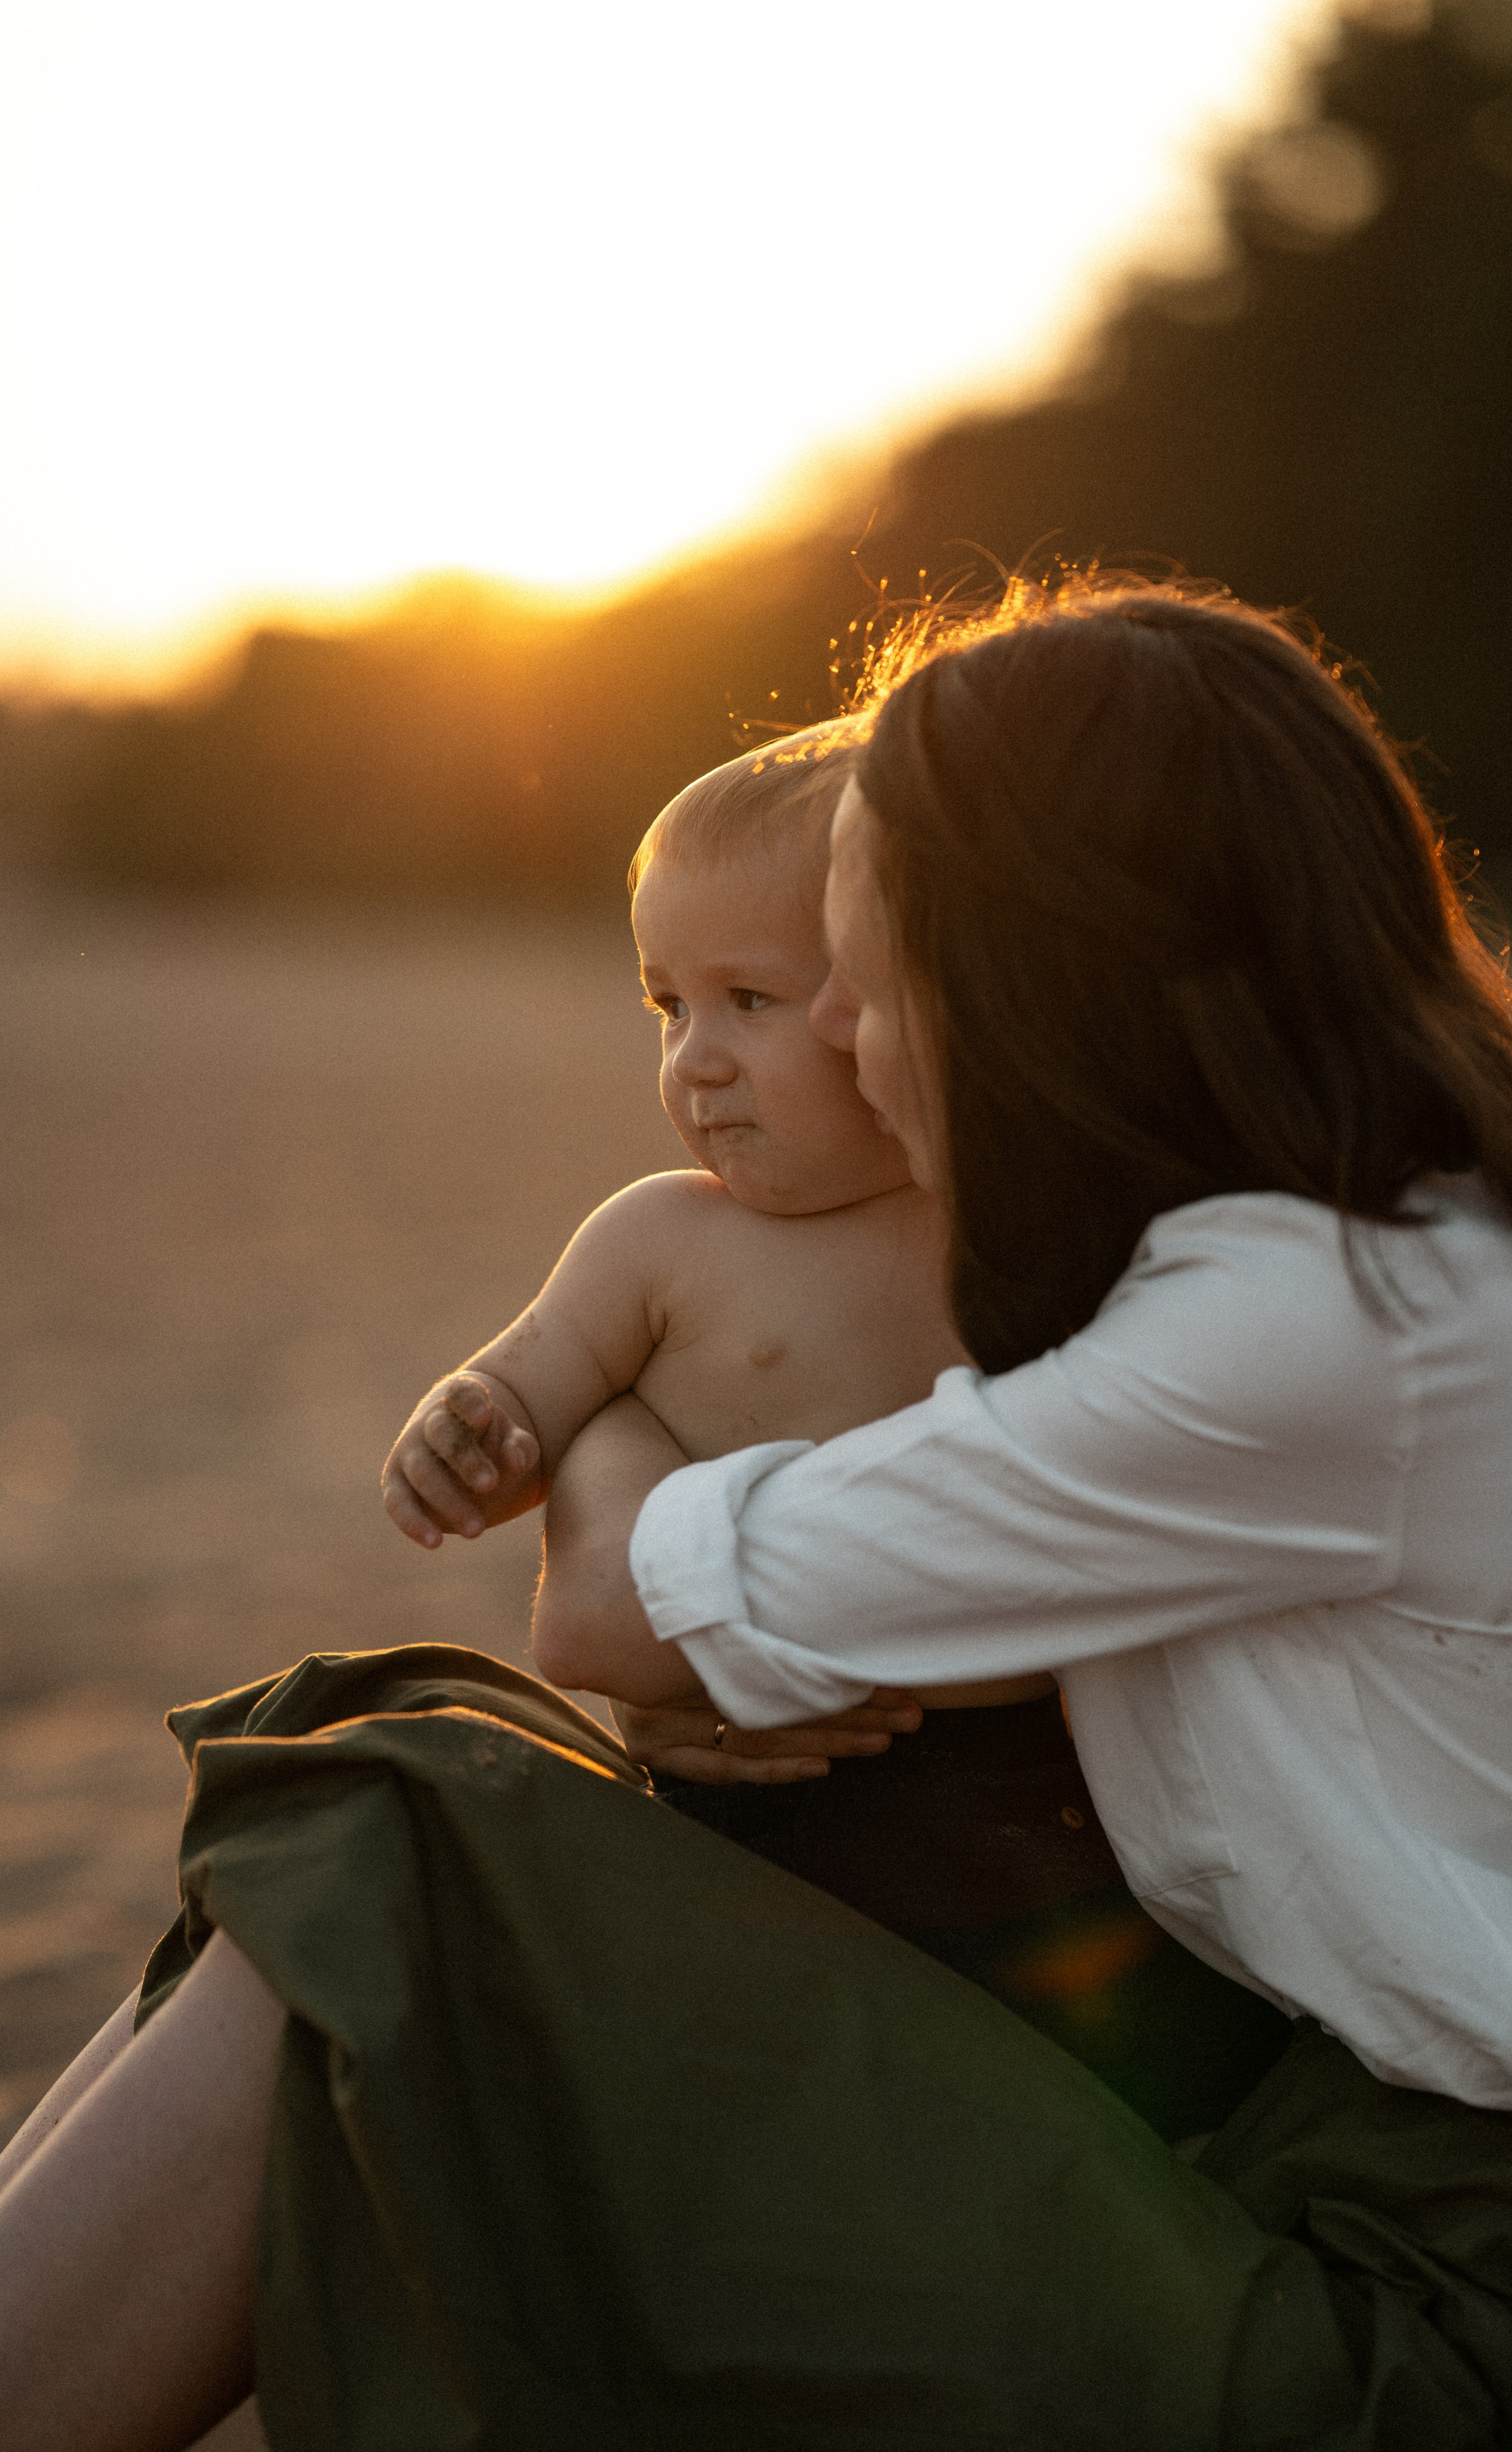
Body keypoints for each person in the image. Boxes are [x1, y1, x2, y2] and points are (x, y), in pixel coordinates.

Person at [3, 578, 1512, 2451]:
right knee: (366, 1778)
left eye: (872, 965)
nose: (845, 1034)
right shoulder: (1414, 1219)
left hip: (1472, 2308)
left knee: (395, 1844)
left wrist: (610, 1400)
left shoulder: (1295, 1329)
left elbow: (609, 1612)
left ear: (1044, 966)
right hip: (1404, 2165)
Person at [380, 721, 1290, 2138]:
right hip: (749, 1790)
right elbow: (527, 1398)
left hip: (1025, 1798)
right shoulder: (654, 1239)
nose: (695, 1063)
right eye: (664, 1004)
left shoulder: (1017, 1235)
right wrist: (476, 1430)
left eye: (749, 996)